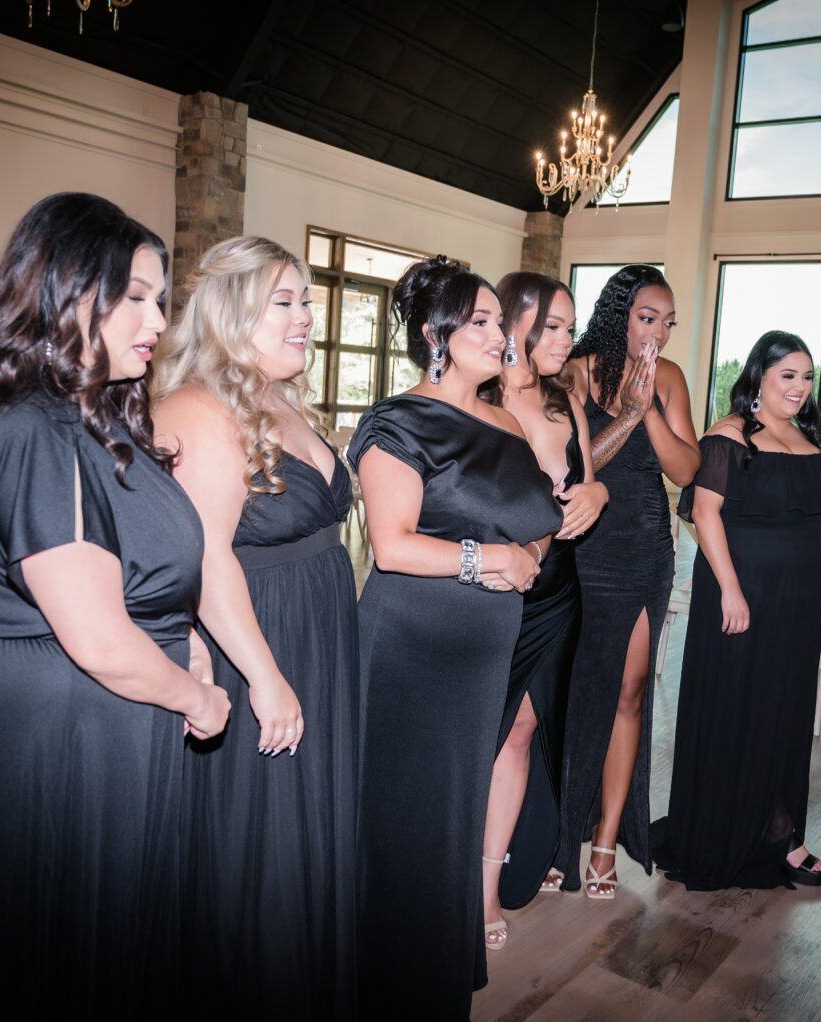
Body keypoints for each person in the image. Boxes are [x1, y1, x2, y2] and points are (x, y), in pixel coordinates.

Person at [0, 192, 230, 1016]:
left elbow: (141, 574)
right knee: (67, 954)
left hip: (106, 717)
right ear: (62, 293)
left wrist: (184, 636)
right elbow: (96, 638)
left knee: (112, 946)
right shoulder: (38, 435)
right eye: (134, 296)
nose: (156, 320)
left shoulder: (95, 421)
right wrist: (198, 695)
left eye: (159, 299)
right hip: (64, 726)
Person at [151, 236, 358, 1017]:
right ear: (233, 311)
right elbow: (204, 561)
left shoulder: (281, 398)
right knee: (262, 845)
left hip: (322, 638)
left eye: (307, 300)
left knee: (309, 840)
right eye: (287, 302)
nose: (307, 316)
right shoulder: (198, 410)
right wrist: (266, 677)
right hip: (259, 643)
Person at [349, 256, 560, 1018]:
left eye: (501, 323)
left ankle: (434, 981)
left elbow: (541, 523)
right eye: (482, 322)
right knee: (403, 821)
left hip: (482, 658)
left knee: (453, 818)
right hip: (410, 647)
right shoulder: (398, 421)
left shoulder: (506, 422)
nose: (500, 335)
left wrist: (529, 555)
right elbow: (393, 545)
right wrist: (489, 560)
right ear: (436, 334)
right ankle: (380, 983)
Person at [651, 330, 821, 890]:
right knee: (736, 705)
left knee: (785, 711)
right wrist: (730, 588)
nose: (800, 387)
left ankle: (783, 832)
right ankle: (719, 828)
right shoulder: (728, 437)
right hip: (742, 593)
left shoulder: (811, 442)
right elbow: (704, 515)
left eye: (807, 377)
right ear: (759, 375)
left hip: (798, 599)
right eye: (789, 375)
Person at [476, 272, 608, 950]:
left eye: (569, 326)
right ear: (517, 321)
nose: (564, 339)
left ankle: (488, 885)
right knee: (476, 734)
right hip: (490, 589)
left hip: (557, 590)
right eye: (551, 326)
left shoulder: (565, 402)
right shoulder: (477, 394)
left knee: (521, 732)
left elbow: (583, 482)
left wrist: (599, 494)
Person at [559, 265, 699, 898]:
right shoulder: (574, 371)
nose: (659, 335)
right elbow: (580, 466)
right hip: (583, 544)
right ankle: (558, 834)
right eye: (648, 318)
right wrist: (630, 409)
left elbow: (687, 468)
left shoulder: (668, 377)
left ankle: (607, 840)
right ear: (620, 314)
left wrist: (650, 412)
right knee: (573, 693)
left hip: (644, 546)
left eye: (668, 323)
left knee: (629, 691)